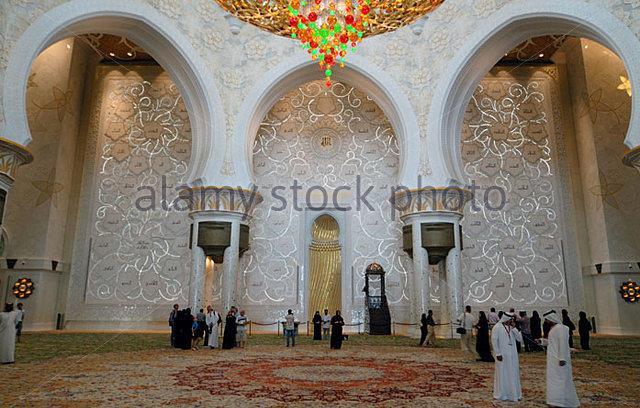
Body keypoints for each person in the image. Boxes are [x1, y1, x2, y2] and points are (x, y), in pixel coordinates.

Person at [544, 311, 580, 407]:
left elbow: (563, 344)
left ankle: (563, 401)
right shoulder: (554, 328)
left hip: (559, 359)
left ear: (552, 319)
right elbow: (552, 342)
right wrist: (542, 341)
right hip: (553, 359)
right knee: (554, 379)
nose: (546, 321)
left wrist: (562, 358)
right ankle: (554, 400)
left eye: (547, 319)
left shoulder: (561, 329)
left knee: (561, 379)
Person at [491, 313, 523, 402]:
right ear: (506, 319)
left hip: (513, 356)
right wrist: (497, 353)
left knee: (513, 373)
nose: (511, 321)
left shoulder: (512, 328)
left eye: (512, 320)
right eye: (510, 320)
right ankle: (503, 394)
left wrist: (515, 328)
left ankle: (514, 394)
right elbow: (494, 341)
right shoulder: (497, 327)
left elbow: (520, 339)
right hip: (502, 356)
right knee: (503, 374)